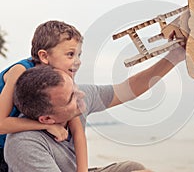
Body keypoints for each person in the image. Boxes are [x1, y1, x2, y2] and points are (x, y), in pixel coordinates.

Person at [5, 44, 184, 171]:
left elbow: (129, 89)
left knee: (132, 168)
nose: (81, 94)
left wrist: (175, 56)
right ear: (47, 119)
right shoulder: (24, 144)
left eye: (74, 87)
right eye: (71, 98)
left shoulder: (77, 96)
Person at [0, 21, 88, 172]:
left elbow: (77, 130)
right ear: (44, 56)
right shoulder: (20, 72)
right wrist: (47, 125)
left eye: (78, 55)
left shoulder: (63, 79)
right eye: (70, 54)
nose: (77, 61)